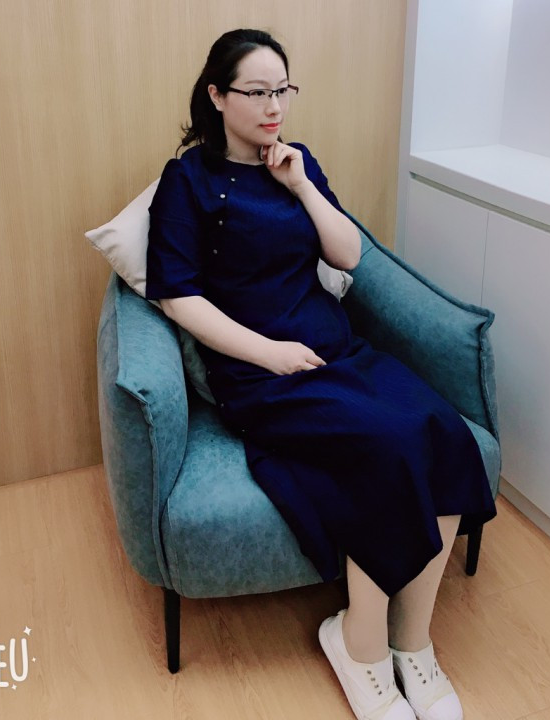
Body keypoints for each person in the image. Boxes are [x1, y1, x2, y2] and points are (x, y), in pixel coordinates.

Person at [145, 28, 497, 720]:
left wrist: (302, 185)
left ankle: (413, 642)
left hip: (338, 352)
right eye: (257, 92)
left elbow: (348, 254)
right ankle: (359, 643)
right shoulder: (186, 181)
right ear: (216, 96)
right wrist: (267, 353)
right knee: (388, 447)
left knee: (443, 432)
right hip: (262, 374)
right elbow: (177, 296)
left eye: (283, 90)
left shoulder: (297, 162)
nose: (274, 106)